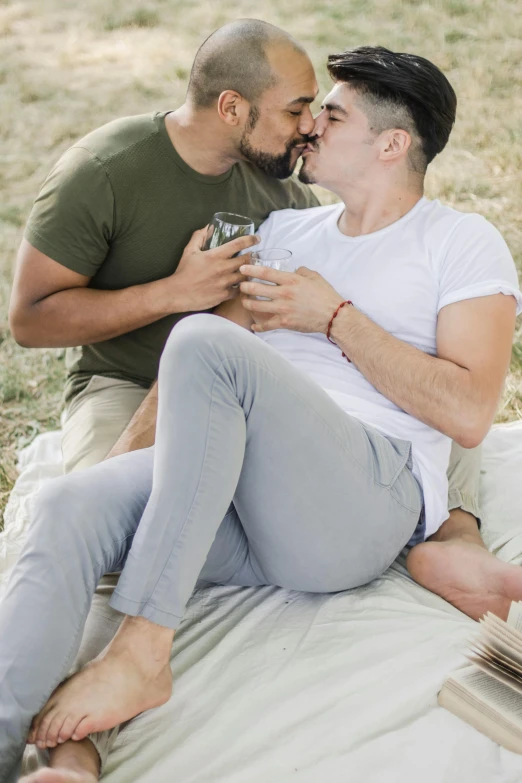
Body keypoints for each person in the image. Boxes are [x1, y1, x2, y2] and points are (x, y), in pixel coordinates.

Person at [3, 38, 516, 783]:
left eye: (331, 116)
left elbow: (470, 412)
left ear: (391, 143)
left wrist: (334, 316)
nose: (310, 129)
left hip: (361, 502)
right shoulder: (283, 232)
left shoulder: (461, 242)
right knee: (67, 507)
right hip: (246, 502)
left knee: (206, 340)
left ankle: (145, 650)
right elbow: (196, 375)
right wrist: (120, 481)